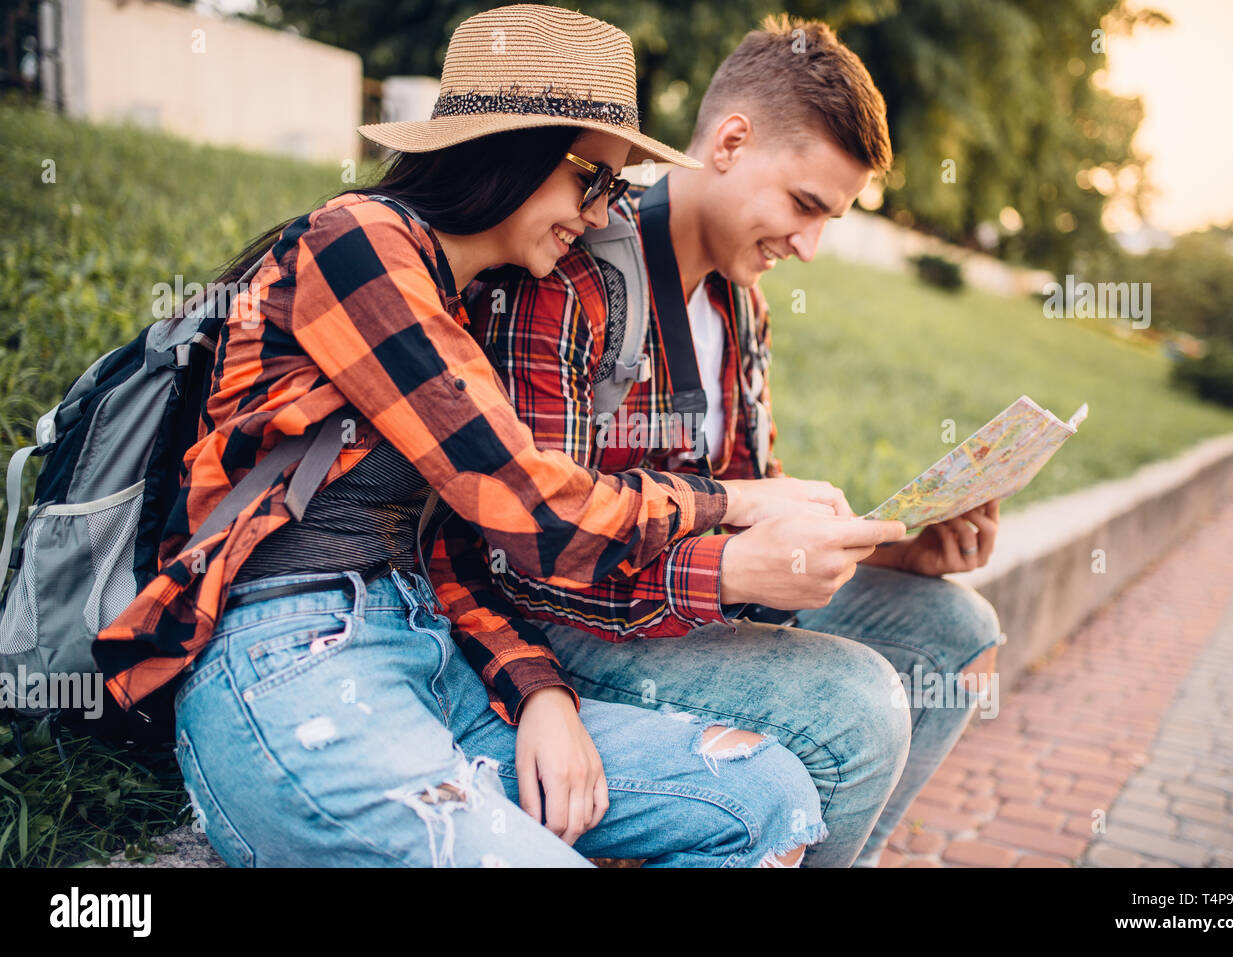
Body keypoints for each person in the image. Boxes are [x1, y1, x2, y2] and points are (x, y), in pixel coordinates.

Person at [93, 4, 891, 867]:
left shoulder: (470, 302)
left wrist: (539, 688)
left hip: (432, 659)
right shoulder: (357, 241)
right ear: (515, 150)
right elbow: (529, 506)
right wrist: (733, 501)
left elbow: (458, 546)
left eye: (616, 192)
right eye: (593, 181)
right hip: (288, 661)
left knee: (766, 796)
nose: (598, 217)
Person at [460, 14, 1007, 867]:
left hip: (695, 601)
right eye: (803, 205)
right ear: (730, 142)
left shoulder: (740, 304)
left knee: (956, 629)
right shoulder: (571, 272)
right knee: (860, 704)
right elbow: (531, 554)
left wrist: (895, 547)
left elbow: (752, 493)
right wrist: (729, 572)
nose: (811, 246)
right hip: (569, 622)